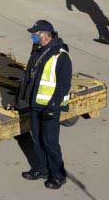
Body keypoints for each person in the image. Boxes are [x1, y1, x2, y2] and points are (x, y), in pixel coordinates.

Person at [17, 19, 72, 190]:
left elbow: (64, 85)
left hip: (50, 108)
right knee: (37, 139)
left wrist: (53, 106)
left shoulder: (61, 56)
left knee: (50, 142)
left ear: (44, 34)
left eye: (35, 34)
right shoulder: (38, 51)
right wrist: (21, 99)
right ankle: (41, 169)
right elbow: (30, 77)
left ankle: (58, 175)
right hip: (35, 104)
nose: (32, 36)